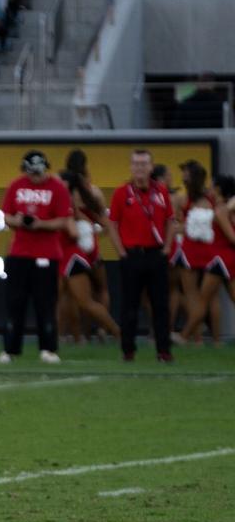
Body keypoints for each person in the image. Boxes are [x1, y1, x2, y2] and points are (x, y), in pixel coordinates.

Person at [0, 151, 73, 364]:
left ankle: (48, 349)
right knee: (15, 303)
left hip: (46, 254)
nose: (35, 177)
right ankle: (10, 350)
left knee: (45, 304)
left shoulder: (57, 188)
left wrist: (40, 224)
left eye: (38, 173)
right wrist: (19, 221)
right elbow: (6, 216)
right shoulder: (16, 185)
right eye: (31, 173)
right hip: (19, 253)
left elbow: (63, 220)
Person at [104, 150, 176, 363]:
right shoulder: (121, 193)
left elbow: (171, 220)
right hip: (132, 254)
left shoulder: (161, 191)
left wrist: (167, 248)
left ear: (151, 167)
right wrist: (121, 251)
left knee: (160, 305)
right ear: (131, 167)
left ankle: (163, 351)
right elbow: (112, 224)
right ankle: (128, 350)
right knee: (130, 305)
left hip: (155, 254)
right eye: (136, 164)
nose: (140, 168)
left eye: (144, 164)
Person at [57, 168, 121, 343]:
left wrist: (89, 231)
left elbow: (76, 228)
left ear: (67, 184)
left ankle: (118, 332)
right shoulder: (64, 199)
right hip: (61, 254)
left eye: (58, 180)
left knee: (85, 301)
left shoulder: (68, 201)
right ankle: (68, 338)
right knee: (61, 299)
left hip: (72, 256)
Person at [179, 175, 235, 340]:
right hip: (226, 260)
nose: (208, 189)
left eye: (211, 186)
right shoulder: (224, 208)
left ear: (218, 189)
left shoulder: (220, 210)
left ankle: (183, 336)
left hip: (221, 260)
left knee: (202, 301)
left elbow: (232, 237)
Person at [171, 160, 218, 343]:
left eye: (185, 173)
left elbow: (178, 225)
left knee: (192, 295)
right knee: (211, 297)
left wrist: (179, 227)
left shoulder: (183, 199)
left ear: (191, 176)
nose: (182, 176)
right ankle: (216, 340)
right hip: (210, 250)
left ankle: (197, 339)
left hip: (190, 251)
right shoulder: (211, 197)